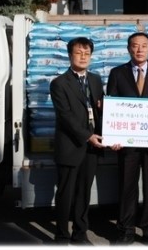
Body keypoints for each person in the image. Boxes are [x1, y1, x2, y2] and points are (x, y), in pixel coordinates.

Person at [107, 32, 148, 245]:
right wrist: (112, 136)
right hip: (127, 143)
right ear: (128, 49)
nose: (140, 49)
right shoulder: (117, 73)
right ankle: (126, 230)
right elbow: (111, 106)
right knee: (127, 187)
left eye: (144, 45)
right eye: (135, 45)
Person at [50, 37, 105, 245]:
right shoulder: (59, 83)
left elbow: (102, 109)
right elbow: (65, 116)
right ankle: (62, 234)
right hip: (71, 145)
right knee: (66, 193)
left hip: (92, 148)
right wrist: (87, 136)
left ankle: (80, 234)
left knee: (84, 192)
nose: (83, 57)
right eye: (78, 53)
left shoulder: (95, 80)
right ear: (69, 55)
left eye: (87, 53)